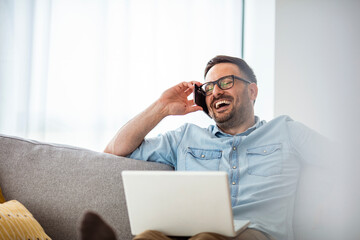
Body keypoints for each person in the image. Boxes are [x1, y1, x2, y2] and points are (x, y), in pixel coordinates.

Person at [99, 55, 329, 240]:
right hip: (186, 233)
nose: (216, 92)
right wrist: (162, 108)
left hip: (257, 234)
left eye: (226, 82)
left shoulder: (286, 131)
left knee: (208, 237)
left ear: (252, 91)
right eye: (208, 88)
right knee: (148, 236)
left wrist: (327, 200)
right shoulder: (185, 138)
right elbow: (114, 151)